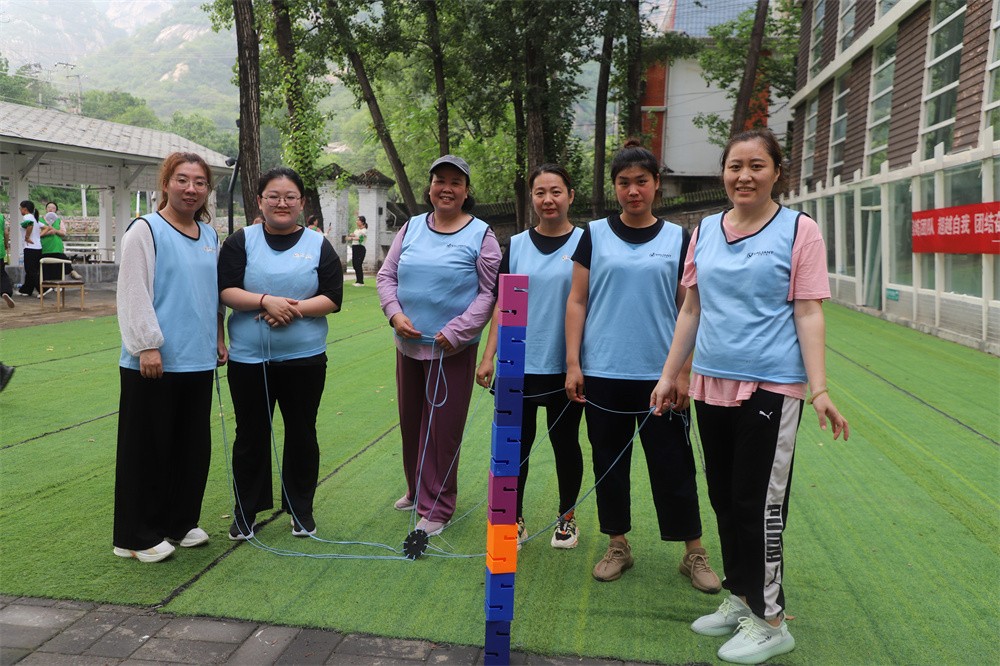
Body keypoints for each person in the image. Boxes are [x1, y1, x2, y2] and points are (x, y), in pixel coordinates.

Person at [651, 128, 850, 665]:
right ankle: (743, 597)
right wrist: (670, 376)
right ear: (723, 172)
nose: (744, 176)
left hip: (771, 386)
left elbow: (808, 310)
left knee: (759, 503)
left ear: (776, 172)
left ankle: (772, 621)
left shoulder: (799, 230)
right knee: (724, 496)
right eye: (735, 166)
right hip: (711, 381)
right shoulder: (705, 231)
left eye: (757, 166)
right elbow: (691, 308)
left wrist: (819, 388)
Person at [565, 140, 720, 591]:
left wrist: (683, 372)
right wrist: (574, 363)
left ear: (656, 185)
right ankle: (618, 545)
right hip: (604, 373)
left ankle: (693, 552)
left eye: (642, 182)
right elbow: (577, 301)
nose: (633, 191)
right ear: (614, 187)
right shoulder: (594, 235)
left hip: (661, 377)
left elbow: (691, 308)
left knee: (674, 466)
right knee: (609, 464)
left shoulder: (678, 238)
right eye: (624, 182)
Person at [377, 155, 500, 536]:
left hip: (451, 351)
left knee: (442, 430)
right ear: (429, 187)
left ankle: (438, 506)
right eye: (439, 180)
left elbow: (490, 293)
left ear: (466, 191)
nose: (446, 188)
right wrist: (395, 314)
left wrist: (459, 330)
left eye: (455, 182)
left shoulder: (481, 235)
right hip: (408, 345)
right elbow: (386, 275)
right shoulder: (411, 227)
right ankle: (417, 490)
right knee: (412, 421)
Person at [114, 152, 228, 563]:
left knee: (190, 448)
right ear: (165, 184)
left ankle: (179, 522)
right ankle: (135, 536)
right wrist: (146, 344)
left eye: (199, 182)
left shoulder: (209, 235)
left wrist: (219, 336)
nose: (191, 189)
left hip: (198, 359)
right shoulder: (145, 230)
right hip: (154, 361)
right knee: (147, 448)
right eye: (182, 180)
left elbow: (213, 294)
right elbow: (133, 290)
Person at [220, 167, 342, 541]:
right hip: (248, 360)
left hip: (305, 359)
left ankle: (300, 509)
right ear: (260, 201)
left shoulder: (319, 244)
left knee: (302, 432)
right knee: (250, 435)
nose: (282, 203)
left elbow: (332, 297)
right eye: (273, 196)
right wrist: (264, 301)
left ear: (301, 203)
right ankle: (246, 511)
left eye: (290, 196)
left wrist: (291, 309)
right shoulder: (241, 241)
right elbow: (226, 289)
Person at [476, 164, 585, 550]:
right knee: (514, 447)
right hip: (516, 364)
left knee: (565, 443)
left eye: (556, 191)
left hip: (564, 365)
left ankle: (567, 518)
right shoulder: (518, 245)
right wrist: (488, 356)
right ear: (531, 198)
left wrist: (577, 363)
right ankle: (513, 518)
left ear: (570, 195)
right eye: (540, 192)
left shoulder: (586, 243)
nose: (548, 200)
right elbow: (501, 304)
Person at [39, 202, 84, 281]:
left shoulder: (59, 220)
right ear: (46, 209)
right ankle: (47, 285)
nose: (51, 209)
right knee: (46, 268)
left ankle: (70, 272)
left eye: (53, 208)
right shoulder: (40, 220)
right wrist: (48, 232)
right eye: (49, 207)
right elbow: (37, 234)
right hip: (45, 246)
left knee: (60, 262)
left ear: (56, 210)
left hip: (57, 246)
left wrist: (55, 231)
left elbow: (63, 233)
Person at [16, 201, 43, 297]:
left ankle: (42, 289)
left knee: (30, 270)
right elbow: (45, 227)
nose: (20, 210)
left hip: (30, 247)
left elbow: (30, 225)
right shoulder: (34, 218)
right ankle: (26, 289)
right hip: (37, 247)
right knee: (32, 269)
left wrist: (27, 237)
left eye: (20, 208)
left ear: (25, 209)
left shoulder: (27, 217)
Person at [348, 215, 368, 286]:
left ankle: (360, 282)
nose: (357, 221)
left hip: (360, 248)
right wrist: (352, 235)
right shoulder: (356, 230)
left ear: (362, 222)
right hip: (355, 247)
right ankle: (358, 281)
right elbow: (356, 236)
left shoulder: (364, 230)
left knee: (358, 264)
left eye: (358, 220)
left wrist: (351, 238)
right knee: (354, 264)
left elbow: (360, 239)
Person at [1, 211, 14, 308]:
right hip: (0, 248)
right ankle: (5, 292)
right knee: (1, 273)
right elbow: (6, 233)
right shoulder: (1, 217)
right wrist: (6, 244)